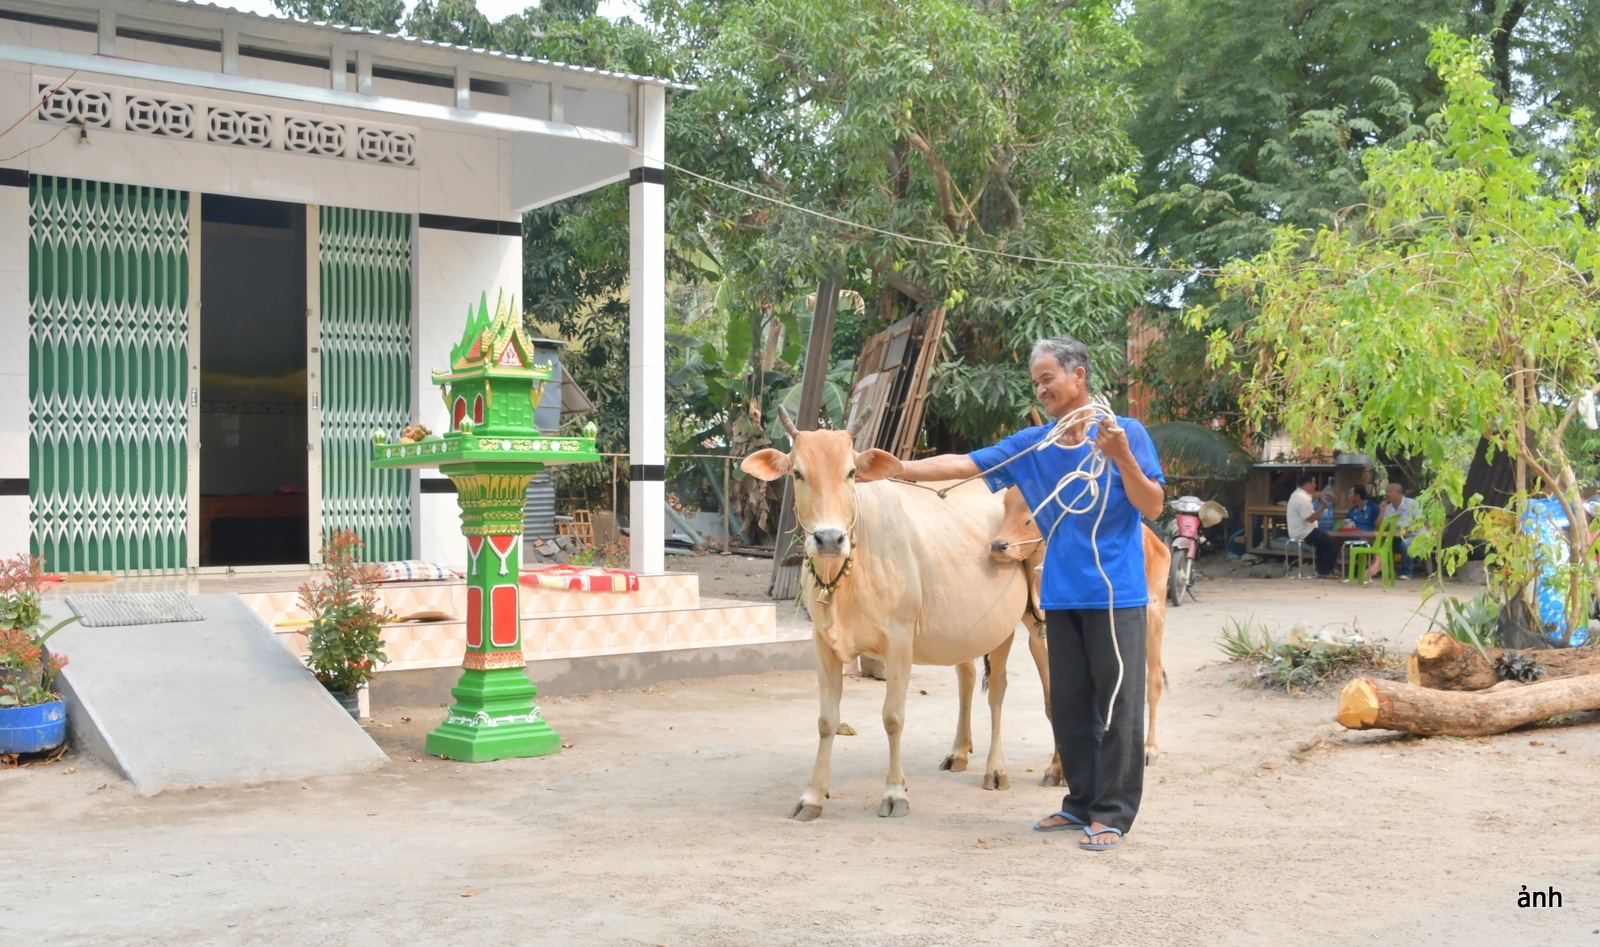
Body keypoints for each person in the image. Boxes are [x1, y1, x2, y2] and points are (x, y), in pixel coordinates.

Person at [895, 337, 1164, 853]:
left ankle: (1112, 812)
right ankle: (1080, 802)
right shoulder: (1033, 446)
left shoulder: (1125, 434)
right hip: (1060, 595)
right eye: (1036, 382)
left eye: (1047, 379)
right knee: (1070, 705)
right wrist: (897, 468)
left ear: (1078, 376)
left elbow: (1151, 505)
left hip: (1114, 594)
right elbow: (964, 464)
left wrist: (1122, 457)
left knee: (1118, 705)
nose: (1040, 389)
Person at [1286, 472, 1339, 578]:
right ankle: (1325, 571)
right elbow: (1311, 519)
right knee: (1332, 543)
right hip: (1303, 531)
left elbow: (1314, 495)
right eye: (1314, 483)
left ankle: (1320, 571)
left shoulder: (1298, 494)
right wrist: (1323, 507)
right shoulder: (1301, 498)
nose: (1315, 485)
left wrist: (1325, 494)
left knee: (1323, 543)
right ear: (1307, 484)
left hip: (1303, 530)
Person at [1368, 481, 1422, 580]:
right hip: (1396, 536)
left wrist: (1404, 529)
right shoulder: (1388, 508)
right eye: (1386, 491)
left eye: (1389, 491)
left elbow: (1420, 522)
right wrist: (1381, 511)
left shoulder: (1412, 504)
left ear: (1399, 493)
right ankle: (1386, 569)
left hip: (1415, 534)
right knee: (1384, 543)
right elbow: (1380, 527)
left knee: (1405, 544)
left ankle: (1406, 572)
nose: (1387, 494)